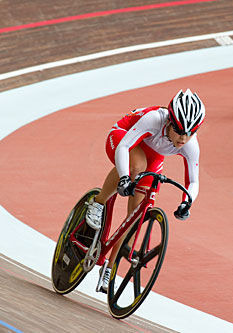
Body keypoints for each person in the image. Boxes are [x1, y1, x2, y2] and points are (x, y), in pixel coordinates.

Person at [85, 89, 205, 293]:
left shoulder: (191, 145)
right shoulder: (153, 119)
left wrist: (187, 202)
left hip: (153, 156)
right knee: (137, 165)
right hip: (124, 137)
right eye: (180, 131)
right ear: (169, 122)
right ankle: (98, 202)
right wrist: (124, 178)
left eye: (190, 132)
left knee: (136, 217)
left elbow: (193, 181)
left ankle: (109, 268)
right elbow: (124, 146)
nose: (184, 138)